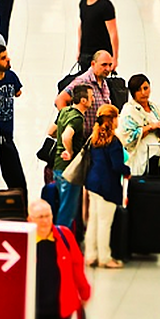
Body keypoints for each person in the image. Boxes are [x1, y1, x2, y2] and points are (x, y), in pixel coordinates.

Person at [27, 199, 90, 319]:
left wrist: (84, 292)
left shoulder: (64, 236)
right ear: (30, 219)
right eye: (40, 217)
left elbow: (77, 266)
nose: (45, 221)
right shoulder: (25, 241)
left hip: (60, 306)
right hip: (34, 309)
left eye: (48, 216)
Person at [84, 104, 129, 268]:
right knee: (104, 223)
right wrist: (127, 170)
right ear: (112, 119)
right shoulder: (113, 141)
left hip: (92, 183)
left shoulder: (94, 138)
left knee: (93, 221)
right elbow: (117, 166)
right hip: (107, 186)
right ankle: (105, 258)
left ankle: (90, 256)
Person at [0, 43, 27, 196]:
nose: (8, 60)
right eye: (3, 58)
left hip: (7, 137)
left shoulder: (10, 76)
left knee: (17, 181)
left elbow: (18, 92)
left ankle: (20, 210)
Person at [53, 84, 92, 227]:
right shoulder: (77, 118)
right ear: (83, 100)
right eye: (91, 97)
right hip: (69, 170)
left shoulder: (65, 112)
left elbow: (53, 130)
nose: (93, 100)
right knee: (67, 211)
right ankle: (62, 242)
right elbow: (66, 135)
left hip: (57, 166)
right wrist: (69, 151)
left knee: (62, 206)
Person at [117, 74, 160, 177]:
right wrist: (149, 127)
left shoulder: (156, 108)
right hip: (140, 159)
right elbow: (127, 138)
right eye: (139, 90)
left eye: (145, 88)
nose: (143, 93)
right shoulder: (129, 110)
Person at [56, 50, 114, 138]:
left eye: (110, 65)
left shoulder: (104, 83)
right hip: (83, 140)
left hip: (97, 139)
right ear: (93, 64)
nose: (108, 69)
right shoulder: (83, 81)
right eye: (104, 65)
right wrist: (69, 122)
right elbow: (60, 100)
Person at [77, 0, 120, 69]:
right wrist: (79, 49)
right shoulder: (83, 3)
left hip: (101, 54)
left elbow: (113, 32)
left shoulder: (105, 6)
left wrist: (114, 57)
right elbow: (82, 25)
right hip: (85, 53)